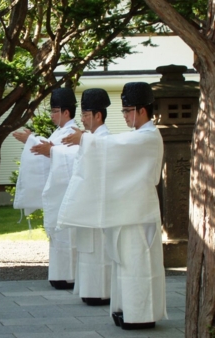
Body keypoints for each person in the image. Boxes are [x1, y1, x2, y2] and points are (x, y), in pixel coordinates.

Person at [59, 82, 166, 329]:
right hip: (127, 208)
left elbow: (115, 148)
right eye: (124, 111)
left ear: (141, 110)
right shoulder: (137, 136)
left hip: (138, 212)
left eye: (127, 110)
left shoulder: (149, 136)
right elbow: (115, 152)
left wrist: (85, 139)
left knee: (138, 262)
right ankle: (126, 309)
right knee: (124, 262)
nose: (125, 116)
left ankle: (141, 314)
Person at [13, 87, 78, 290]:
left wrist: (34, 142)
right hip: (58, 192)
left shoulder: (73, 133)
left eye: (54, 111)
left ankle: (68, 275)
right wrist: (33, 141)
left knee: (67, 234)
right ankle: (60, 274)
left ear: (66, 112)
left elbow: (68, 156)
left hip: (66, 193)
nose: (51, 115)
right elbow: (52, 150)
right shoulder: (60, 132)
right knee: (58, 235)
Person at [68, 88, 112, 306]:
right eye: (82, 115)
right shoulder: (90, 139)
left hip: (99, 205)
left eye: (86, 115)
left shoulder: (104, 140)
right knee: (87, 248)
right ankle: (90, 290)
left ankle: (101, 291)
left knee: (100, 249)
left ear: (98, 116)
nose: (83, 120)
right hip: (86, 202)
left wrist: (84, 139)